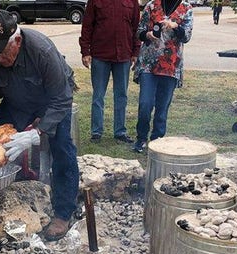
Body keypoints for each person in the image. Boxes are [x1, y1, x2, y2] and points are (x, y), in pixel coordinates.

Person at [0, 9, 79, 241]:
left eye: (2, 53)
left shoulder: (42, 50)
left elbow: (62, 99)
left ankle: (63, 211)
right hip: (15, 100)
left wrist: (37, 133)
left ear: (17, 41)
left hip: (51, 101)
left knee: (62, 149)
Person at [132, 0, 193, 153]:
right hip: (148, 64)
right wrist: (147, 34)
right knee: (145, 104)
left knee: (162, 107)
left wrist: (176, 26)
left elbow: (186, 37)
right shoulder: (151, 6)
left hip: (171, 65)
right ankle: (141, 138)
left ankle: (157, 141)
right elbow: (139, 31)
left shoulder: (186, 8)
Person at [79, 0, 141, 144]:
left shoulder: (132, 1)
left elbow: (136, 27)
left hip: (124, 55)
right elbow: (87, 26)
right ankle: (96, 132)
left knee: (121, 96)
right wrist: (85, 51)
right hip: (100, 54)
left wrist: (135, 51)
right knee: (98, 96)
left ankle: (120, 131)